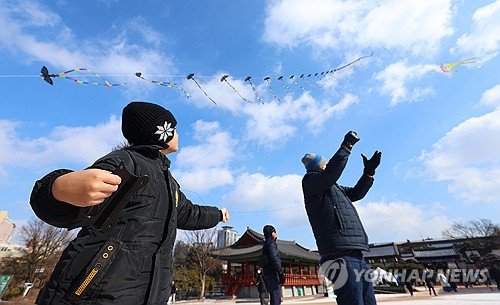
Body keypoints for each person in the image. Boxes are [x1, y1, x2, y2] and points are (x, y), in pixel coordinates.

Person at [30, 101, 230, 305]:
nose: (178, 134)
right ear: (162, 132)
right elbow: (70, 205)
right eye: (175, 128)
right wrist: (58, 188)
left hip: (150, 291)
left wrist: (217, 214)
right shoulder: (125, 163)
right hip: (99, 290)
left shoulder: (169, 182)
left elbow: (188, 213)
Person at [301, 131, 381, 305]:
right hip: (339, 255)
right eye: (326, 164)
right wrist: (346, 146)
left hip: (357, 254)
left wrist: (368, 173)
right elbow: (331, 174)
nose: (328, 165)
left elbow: (356, 193)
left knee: (368, 302)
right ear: (321, 166)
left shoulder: (335, 188)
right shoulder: (310, 182)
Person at [261, 225, 285, 305]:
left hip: (267, 273)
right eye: (274, 231)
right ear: (271, 233)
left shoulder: (265, 244)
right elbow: (274, 259)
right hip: (272, 274)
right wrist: (280, 273)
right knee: (275, 298)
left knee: (274, 297)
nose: (276, 233)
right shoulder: (271, 244)